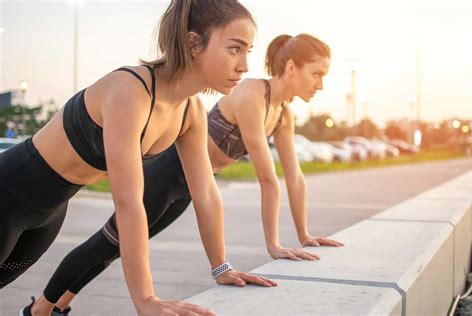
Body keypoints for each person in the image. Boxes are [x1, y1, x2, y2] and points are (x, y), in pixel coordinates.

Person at [32, 33, 342, 315]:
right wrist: (273, 244)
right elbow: (266, 176)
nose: (320, 84)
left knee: (116, 250)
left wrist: (303, 235)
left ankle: (59, 306)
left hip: (190, 187)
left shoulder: (282, 112)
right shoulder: (251, 95)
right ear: (291, 68)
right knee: (107, 244)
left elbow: (295, 176)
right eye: (317, 74)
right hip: (166, 174)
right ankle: (39, 310)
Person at [1, 1, 274, 315]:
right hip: (8, 195)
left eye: (248, 51)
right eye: (234, 49)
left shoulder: (190, 111)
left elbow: (206, 194)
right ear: (192, 43)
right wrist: (145, 299)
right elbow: (128, 201)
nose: (244, 66)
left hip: (48, 214)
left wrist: (221, 268)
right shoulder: (131, 90)